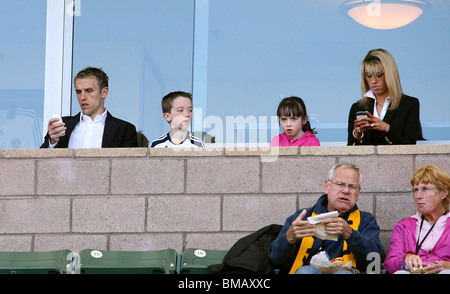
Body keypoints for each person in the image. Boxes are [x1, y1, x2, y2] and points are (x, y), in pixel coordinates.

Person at [268, 163, 383, 274]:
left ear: (358, 194)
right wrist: (290, 237)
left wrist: (349, 233)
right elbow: (276, 260)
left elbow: (375, 260)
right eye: (340, 184)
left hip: (346, 271)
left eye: (352, 187)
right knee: (306, 271)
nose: (346, 191)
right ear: (327, 186)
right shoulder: (302, 217)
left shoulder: (366, 220)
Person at [40, 67, 138, 148]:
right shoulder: (61, 127)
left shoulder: (124, 130)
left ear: (104, 92)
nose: (82, 97)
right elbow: (39, 164)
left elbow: (129, 167)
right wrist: (52, 142)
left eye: (89, 90)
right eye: (78, 92)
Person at [347, 48, 423, 145]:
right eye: (369, 76)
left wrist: (387, 128)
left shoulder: (409, 104)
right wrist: (357, 135)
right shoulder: (357, 107)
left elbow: (410, 145)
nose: (374, 81)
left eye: (379, 75)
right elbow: (350, 150)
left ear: (390, 75)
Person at [384, 165, 450, 274]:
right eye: (415, 190)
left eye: (425, 189)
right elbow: (388, 266)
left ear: (443, 193)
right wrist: (404, 259)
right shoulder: (404, 227)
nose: (418, 196)